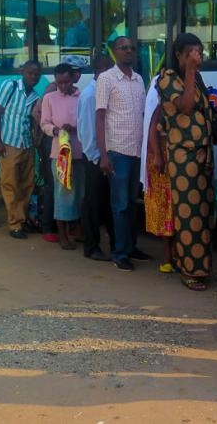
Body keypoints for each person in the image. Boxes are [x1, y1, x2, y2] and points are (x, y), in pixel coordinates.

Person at [154, 33, 214, 291]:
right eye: (190, 53)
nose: (196, 57)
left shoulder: (197, 78)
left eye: (198, 52)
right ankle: (190, 270)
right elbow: (186, 107)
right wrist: (190, 72)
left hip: (202, 154)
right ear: (178, 54)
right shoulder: (168, 78)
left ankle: (195, 264)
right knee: (189, 213)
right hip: (183, 155)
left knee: (204, 212)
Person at [96, 36, 150, 271]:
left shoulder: (139, 79)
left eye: (131, 48)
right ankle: (119, 253)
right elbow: (99, 118)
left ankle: (131, 247)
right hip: (117, 151)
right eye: (123, 48)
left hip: (138, 152)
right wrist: (104, 155)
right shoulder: (106, 79)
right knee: (120, 205)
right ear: (115, 52)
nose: (128, 51)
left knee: (133, 203)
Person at [0, 60, 42, 239]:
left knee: (27, 184)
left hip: (27, 145)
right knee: (10, 183)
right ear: (22, 71)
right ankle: (14, 224)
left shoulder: (35, 96)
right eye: (30, 73)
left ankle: (21, 219)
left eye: (37, 74)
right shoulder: (10, 86)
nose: (34, 76)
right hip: (8, 143)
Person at [40, 63, 85, 250]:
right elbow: (44, 123)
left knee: (81, 193)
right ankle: (63, 234)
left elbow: (87, 121)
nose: (63, 86)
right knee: (62, 193)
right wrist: (55, 130)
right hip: (60, 154)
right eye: (60, 83)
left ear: (73, 77)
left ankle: (77, 229)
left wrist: (74, 128)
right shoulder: (49, 98)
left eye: (66, 82)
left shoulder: (82, 96)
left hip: (80, 152)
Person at [79, 54, 116, 261]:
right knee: (93, 204)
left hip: (105, 156)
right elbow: (87, 132)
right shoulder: (90, 95)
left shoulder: (102, 91)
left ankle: (114, 244)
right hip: (95, 158)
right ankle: (91, 247)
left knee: (107, 203)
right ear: (100, 70)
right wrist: (97, 158)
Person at [143, 70, 176, 274]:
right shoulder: (161, 107)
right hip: (162, 161)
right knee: (167, 209)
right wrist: (157, 155)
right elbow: (153, 130)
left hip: (175, 161)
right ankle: (167, 258)